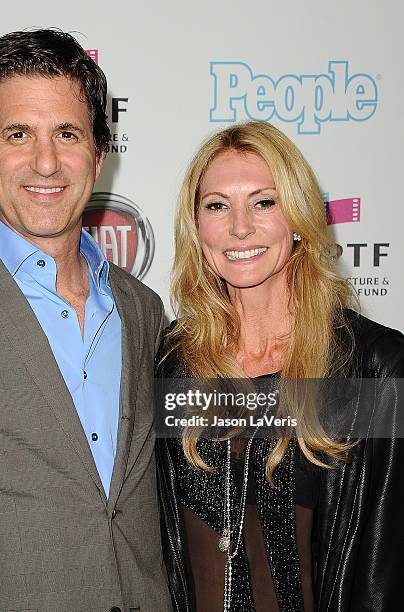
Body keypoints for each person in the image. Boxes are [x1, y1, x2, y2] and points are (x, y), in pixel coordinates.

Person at [0, 29, 172, 612]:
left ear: (98, 155)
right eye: (18, 135)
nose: (46, 162)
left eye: (67, 134)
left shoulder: (142, 309)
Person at [155, 121, 404, 611]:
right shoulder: (171, 362)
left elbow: (385, 571)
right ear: (197, 225)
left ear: (298, 218)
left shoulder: (375, 369)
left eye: (264, 202)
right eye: (217, 206)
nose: (240, 227)